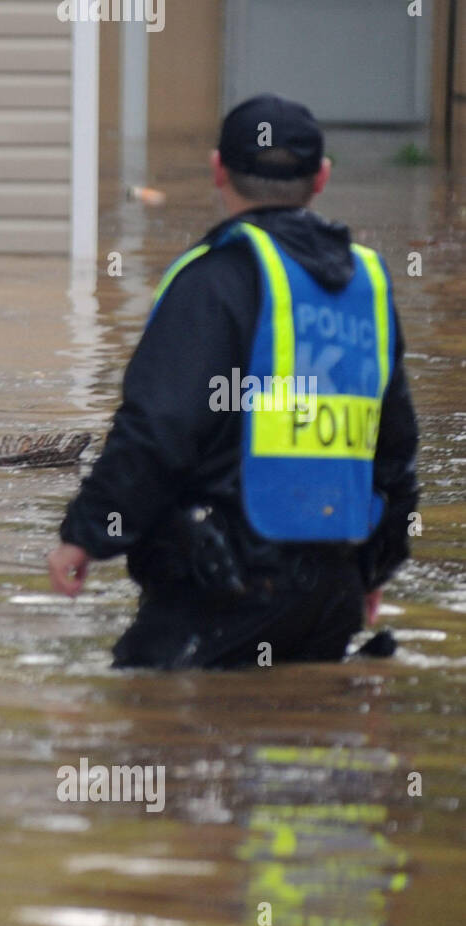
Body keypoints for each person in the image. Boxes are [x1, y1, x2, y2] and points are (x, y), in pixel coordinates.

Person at [48, 94, 419, 669]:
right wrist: (377, 564)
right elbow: (395, 450)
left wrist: (88, 534)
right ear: (321, 178)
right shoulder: (366, 285)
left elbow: (159, 429)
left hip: (225, 586)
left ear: (218, 168)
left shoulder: (213, 279)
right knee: (306, 739)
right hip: (334, 590)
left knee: (151, 727)